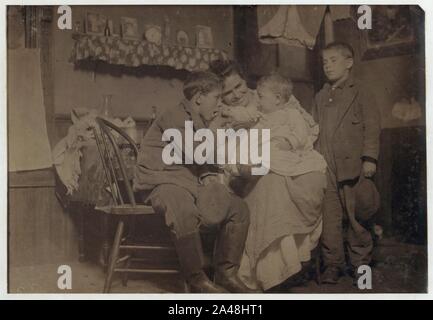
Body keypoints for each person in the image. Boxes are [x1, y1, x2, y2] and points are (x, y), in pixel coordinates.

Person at [133, 71, 255, 293]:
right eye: (217, 98)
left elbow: (203, 160)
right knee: (183, 209)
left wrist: (207, 174)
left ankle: (227, 274)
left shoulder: (198, 120)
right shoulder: (174, 116)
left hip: (186, 182)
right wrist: (216, 125)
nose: (220, 103)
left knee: (239, 208)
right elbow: (196, 154)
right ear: (199, 97)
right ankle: (197, 278)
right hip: (160, 181)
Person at [234, 73, 327, 291]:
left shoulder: (291, 114)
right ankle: (260, 268)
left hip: (288, 155)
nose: (257, 100)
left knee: (274, 168)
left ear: (277, 98)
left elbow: (302, 134)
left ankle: (276, 268)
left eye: (261, 96)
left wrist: (289, 141)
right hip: (268, 157)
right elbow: (251, 135)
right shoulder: (261, 119)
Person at [312, 42, 381, 284]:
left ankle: (360, 264)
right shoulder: (321, 96)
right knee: (329, 218)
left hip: (353, 166)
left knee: (356, 217)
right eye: (324, 62)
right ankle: (333, 264)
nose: (327, 65)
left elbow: (372, 126)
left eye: (333, 60)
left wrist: (369, 158)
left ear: (349, 62)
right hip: (326, 165)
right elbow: (314, 130)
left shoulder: (361, 90)